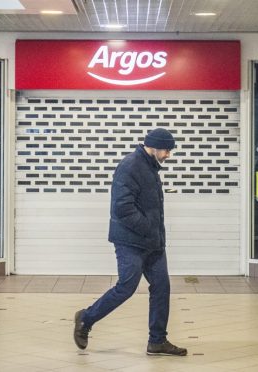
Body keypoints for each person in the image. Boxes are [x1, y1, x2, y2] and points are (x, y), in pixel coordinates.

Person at [73, 128, 187, 356]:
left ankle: (157, 341)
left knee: (162, 287)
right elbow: (122, 208)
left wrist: (155, 235)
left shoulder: (150, 166)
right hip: (131, 242)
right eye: (166, 150)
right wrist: (148, 228)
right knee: (126, 287)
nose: (168, 155)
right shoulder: (130, 166)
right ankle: (86, 319)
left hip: (152, 243)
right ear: (153, 146)